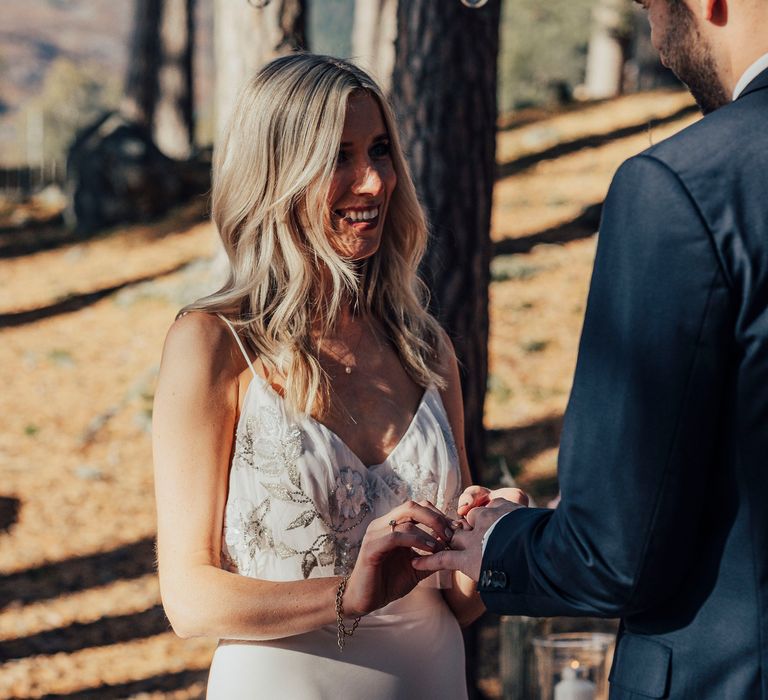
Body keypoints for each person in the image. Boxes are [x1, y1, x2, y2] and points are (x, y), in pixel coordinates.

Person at [415, 1, 768, 698]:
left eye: (649, 3)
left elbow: (615, 552)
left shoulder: (685, 187)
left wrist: (500, 541)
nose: (654, 31)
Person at [152, 53, 523, 699]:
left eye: (380, 152)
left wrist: (488, 542)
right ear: (277, 173)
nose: (374, 182)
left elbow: (455, 602)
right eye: (339, 157)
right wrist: (346, 596)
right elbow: (189, 599)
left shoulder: (425, 348)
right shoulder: (213, 343)